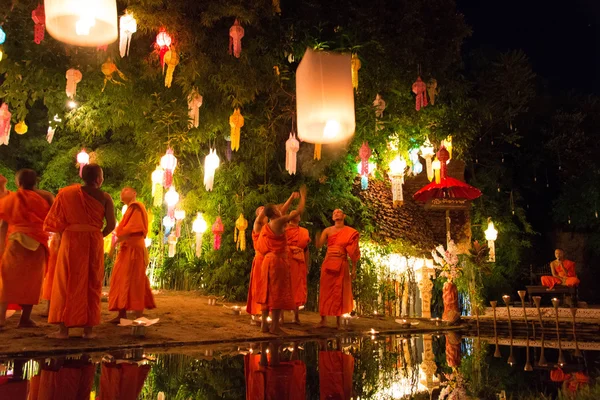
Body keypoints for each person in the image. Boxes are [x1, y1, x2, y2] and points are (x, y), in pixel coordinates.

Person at [44, 164, 116, 339]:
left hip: (71, 239)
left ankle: (63, 330)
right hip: (93, 240)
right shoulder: (105, 197)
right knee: (91, 282)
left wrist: (68, 231)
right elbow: (112, 225)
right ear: (99, 179)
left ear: (83, 177)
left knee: (66, 281)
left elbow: (55, 220)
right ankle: (88, 330)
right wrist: (98, 234)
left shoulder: (66, 194)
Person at [0, 169, 53, 328]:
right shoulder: (46, 197)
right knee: (33, 281)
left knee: (7, 279)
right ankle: (25, 318)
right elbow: (54, 217)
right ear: (35, 182)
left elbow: (3, 225)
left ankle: (1, 318)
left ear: (18, 183)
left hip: (16, 242)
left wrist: (1, 247)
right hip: (38, 242)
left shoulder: (12, 198)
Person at [256, 186, 306, 335]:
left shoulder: (268, 225)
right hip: (277, 261)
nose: (280, 209)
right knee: (277, 292)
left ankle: (265, 325)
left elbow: (283, 210)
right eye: (278, 209)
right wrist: (303, 197)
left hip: (267, 261)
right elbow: (298, 212)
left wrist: (291, 198)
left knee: (267, 292)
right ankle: (275, 326)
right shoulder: (277, 223)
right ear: (275, 213)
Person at [247, 193, 298, 327]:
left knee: (272, 290)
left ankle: (272, 320)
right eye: (260, 210)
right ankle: (258, 316)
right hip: (262, 260)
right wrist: (266, 210)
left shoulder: (272, 225)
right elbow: (271, 215)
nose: (262, 211)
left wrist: (291, 198)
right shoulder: (259, 226)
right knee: (263, 289)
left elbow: (281, 212)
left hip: (270, 260)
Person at [108, 187, 155, 322]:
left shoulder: (136, 207)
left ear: (135, 193)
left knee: (135, 279)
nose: (122, 192)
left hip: (134, 248)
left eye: (126, 190)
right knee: (120, 279)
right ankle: (121, 314)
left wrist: (115, 243)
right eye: (121, 191)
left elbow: (131, 229)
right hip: (127, 248)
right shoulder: (129, 209)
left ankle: (138, 314)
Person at [316, 209, 360, 330]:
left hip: (342, 263)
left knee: (339, 292)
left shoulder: (350, 232)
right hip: (328, 261)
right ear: (332, 217)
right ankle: (323, 319)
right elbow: (319, 245)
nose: (336, 213)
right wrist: (317, 237)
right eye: (334, 213)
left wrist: (354, 268)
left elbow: (353, 252)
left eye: (339, 212)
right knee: (325, 290)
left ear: (344, 216)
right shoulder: (328, 230)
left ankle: (338, 321)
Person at [285, 213, 310, 324]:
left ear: (300, 217)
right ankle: (280, 317)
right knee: (283, 286)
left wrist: (307, 265)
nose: (295, 215)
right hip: (286, 259)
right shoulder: (283, 228)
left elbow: (306, 249)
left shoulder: (304, 231)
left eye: (297, 214)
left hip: (299, 262)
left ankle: (296, 316)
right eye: (292, 213)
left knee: (297, 287)